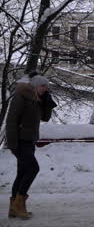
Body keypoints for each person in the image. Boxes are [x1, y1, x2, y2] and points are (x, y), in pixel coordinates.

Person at [6, 73, 57, 219]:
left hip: (29, 141)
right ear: (34, 86)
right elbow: (11, 120)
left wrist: (47, 102)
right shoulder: (20, 97)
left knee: (22, 172)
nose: (45, 88)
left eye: (47, 86)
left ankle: (13, 208)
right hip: (19, 141)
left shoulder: (36, 99)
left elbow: (45, 118)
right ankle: (18, 204)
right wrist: (12, 143)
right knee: (33, 168)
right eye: (42, 86)